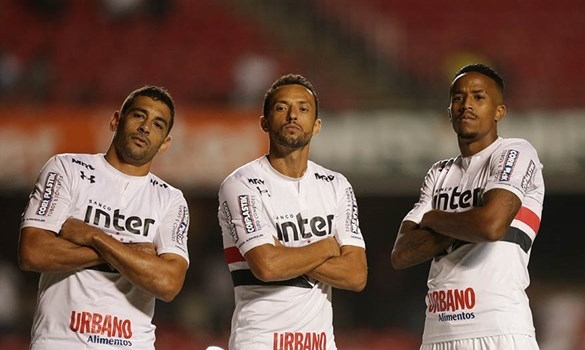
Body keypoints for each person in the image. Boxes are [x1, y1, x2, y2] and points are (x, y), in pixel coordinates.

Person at [18, 85, 190, 349]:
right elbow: (32, 252)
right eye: (138, 115)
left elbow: (168, 283)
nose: (145, 127)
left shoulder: (170, 199)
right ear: (115, 121)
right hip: (60, 342)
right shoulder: (67, 169)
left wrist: (94, 236)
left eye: (158, 124)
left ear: (165, 143)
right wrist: (132, 253)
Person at [391, 63, 544, 350]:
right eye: (458, 98)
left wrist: (435, 217)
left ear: (499, 111)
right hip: (438, 333)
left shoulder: (516, 152)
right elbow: (401, 253)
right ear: (449, 110)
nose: (466, 105)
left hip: (499, 330)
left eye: (478, 97)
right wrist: (468, 221)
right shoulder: (439, 173)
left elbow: (491, 225)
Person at [217, 73, 367, 350]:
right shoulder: (241, 184)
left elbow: (356, 275)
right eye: (281, 107)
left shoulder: (337, 185)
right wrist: (327, 246)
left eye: (303, 108)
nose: (292, 115)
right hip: (260, 342)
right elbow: (267, 266)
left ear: (317, 124)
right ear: (264, 122)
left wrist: (285, 252)